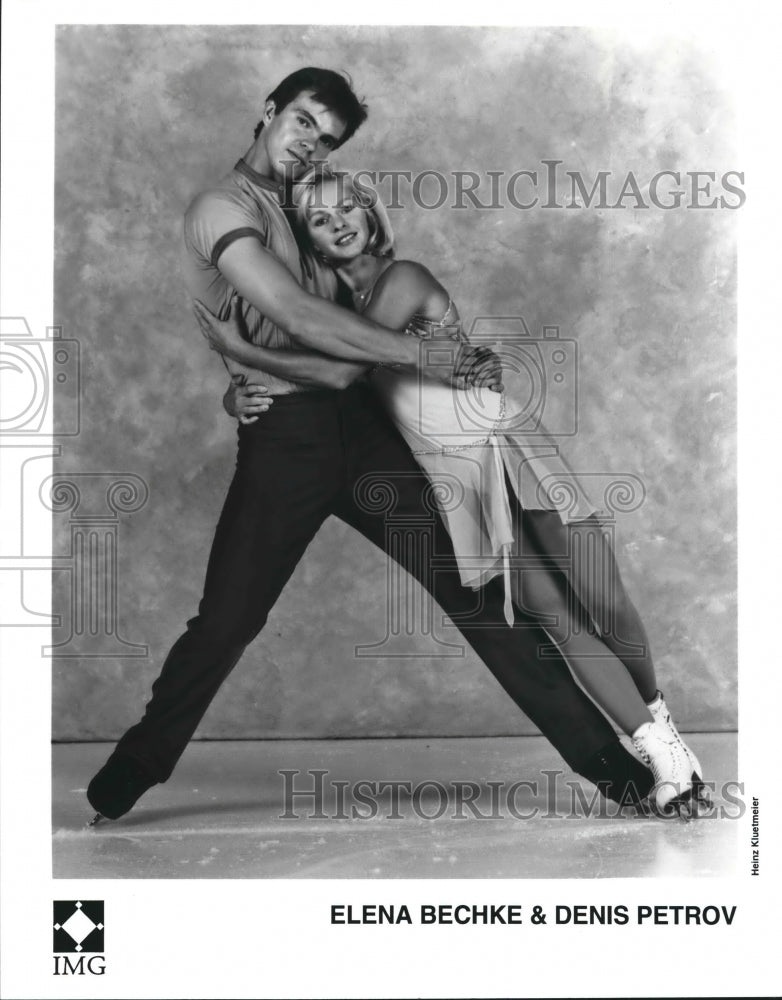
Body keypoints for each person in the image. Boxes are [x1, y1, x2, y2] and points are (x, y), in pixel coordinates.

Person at [87, 67, 656, 825]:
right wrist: (414, 357)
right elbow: (297, 312)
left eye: (324, 139)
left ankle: (620, 773)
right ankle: (135, 767)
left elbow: (364, 320)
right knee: (228, 622)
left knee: (483, 594)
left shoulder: (311, 206)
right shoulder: (221, 208)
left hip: (364, 428)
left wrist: (448, 350)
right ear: (268, 112)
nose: (306, 145)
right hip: (286, 445)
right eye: (300, 123)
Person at [198, 163, 709, 815]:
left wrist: (247, 350)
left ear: (369, 210)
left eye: (346, 208)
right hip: (459, 483)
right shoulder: (324, 316)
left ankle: (661, 724)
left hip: (504, 445)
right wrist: (237, 389)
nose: (338, 225)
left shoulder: (401, 280)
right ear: (311, 241)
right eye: (320, 222)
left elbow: (340, 369)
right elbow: (317, 382)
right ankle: (661, 753)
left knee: (603, 602)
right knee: (554, 614)